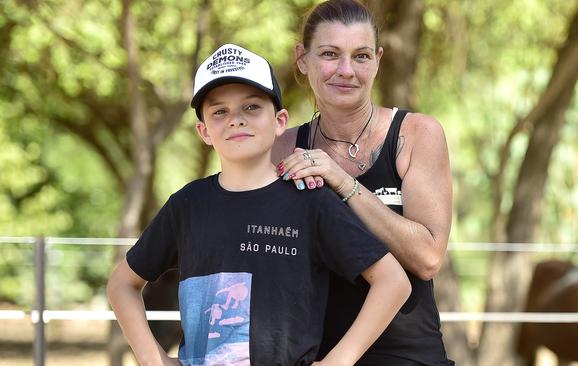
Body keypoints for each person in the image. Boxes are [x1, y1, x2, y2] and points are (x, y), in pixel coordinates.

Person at [107, 43, 411, 366]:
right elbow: (122, 284)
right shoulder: (186, 206)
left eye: (251, 107)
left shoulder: (310, 201)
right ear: (203, 131)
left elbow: (393, 281)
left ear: (280, 121)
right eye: (219, 111)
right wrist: (152, 359)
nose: (236, 120)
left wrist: (340, 360)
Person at [271, 0, 454, 365]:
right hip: (314, 355)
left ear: (378, 60)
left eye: (361, 56)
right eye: (329, 53)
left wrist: (343, 182)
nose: (346, 70)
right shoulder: (280, 147)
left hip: (408, 356)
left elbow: (428, 257)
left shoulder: (416, 134)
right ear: (302, 59)